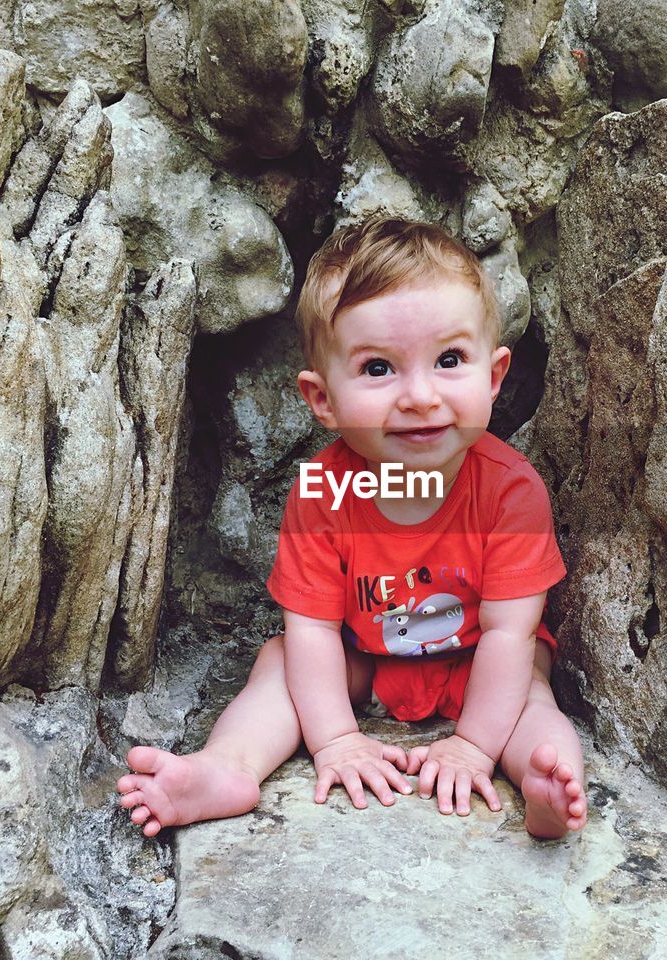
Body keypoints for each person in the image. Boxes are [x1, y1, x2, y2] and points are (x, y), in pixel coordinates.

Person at [116, 217, 588, 840]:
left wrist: (474, 747)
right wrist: (336, 739)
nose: (420, 395)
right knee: (280, 662)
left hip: (480, 663)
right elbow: (311, 628)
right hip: (366, 658)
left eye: (449, 360)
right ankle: (227, 767)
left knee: (532, 696)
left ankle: (545, 785)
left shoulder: (510, 491)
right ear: (322, 399)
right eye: (377, 369)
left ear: (494, 376)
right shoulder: (324, 492)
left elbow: (509, 634)